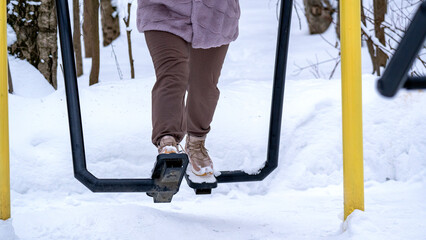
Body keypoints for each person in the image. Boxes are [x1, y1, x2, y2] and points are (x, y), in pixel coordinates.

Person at [137, 0, 241, 176]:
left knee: (204, 85)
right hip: (162, 11)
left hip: (215, 15)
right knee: (172, 74)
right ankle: (166, 140)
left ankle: (196, 143)